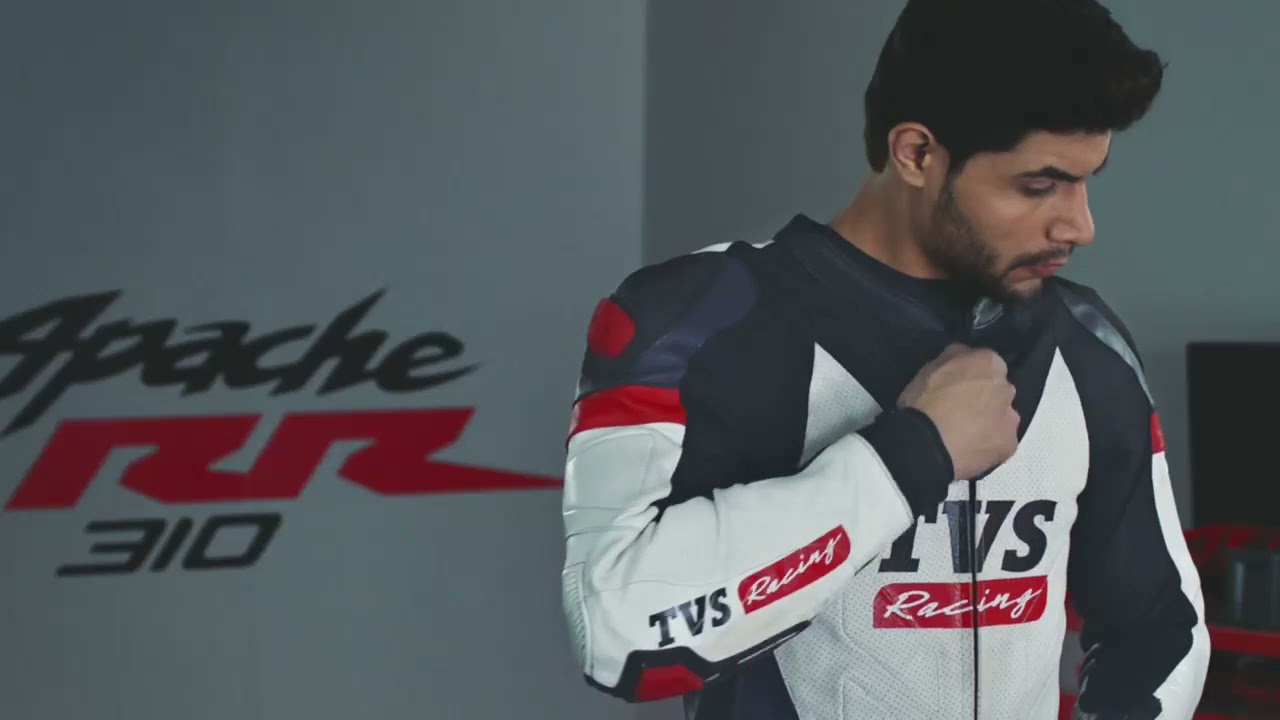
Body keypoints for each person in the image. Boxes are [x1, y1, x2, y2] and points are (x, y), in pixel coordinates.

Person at [557, 0, 1209, 718]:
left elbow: (1161, 627)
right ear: (917, 154)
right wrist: (912, 455)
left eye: (1087, 181)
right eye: (1039, 185)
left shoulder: (1088, 344)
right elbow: (617, 636)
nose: (1079, 225)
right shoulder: (696, 321)